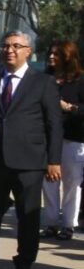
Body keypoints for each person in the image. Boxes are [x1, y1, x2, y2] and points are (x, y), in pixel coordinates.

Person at [0, 31, 62, 269]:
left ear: (28, 51)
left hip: (29, 161)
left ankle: (24, 261)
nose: (10, 50)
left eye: (16, 46)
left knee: (28, 215)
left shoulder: (42, 83)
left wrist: (54, 160)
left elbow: (54, 124)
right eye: (5, 46)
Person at [41, 41, 84, 239]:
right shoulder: (45, 79)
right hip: (47, 139)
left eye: (56, 54)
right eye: (50, 53)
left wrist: (68, 107)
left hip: (72, 139)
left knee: (71, 183)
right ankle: (50, 223)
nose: (51, 57)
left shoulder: (80, 80)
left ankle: (68, 224)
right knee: (49, 182)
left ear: (68, 57)